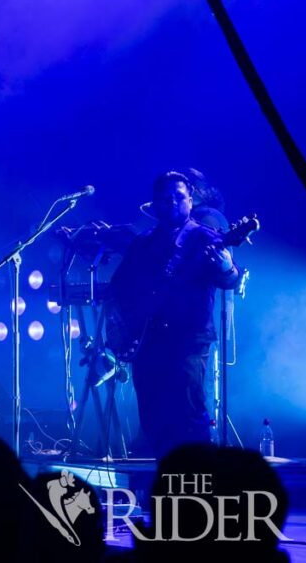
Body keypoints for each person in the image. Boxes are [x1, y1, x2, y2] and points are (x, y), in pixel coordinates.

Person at [110, 172, 243, 457]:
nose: (172, 202)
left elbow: (230, 280)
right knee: (153, 416)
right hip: (147, 342)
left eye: (179, 197)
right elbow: (119, 286)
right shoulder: (143, 243)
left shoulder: (204, 237)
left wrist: (227, 267)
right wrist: (124, 324)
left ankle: (199, 488)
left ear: (190, 201)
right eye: (165, 198)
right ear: (155, 203)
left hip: (187, 343)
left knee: (188, 415)